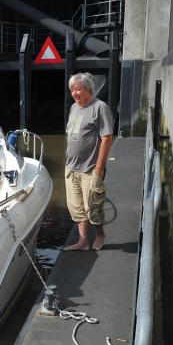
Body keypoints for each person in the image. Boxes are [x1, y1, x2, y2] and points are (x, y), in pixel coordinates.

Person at [64, 72, 114, 251]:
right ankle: (83, 241)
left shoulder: (100, 108)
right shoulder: (73, 108)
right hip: (71, 167)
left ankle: (99, 234)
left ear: (88, 89)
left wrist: (99, 169)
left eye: (77, 89)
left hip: (90, 168)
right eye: (72, 90)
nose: (74, 93)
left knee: (93, 207)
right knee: (76, 207)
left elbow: (107, 138)